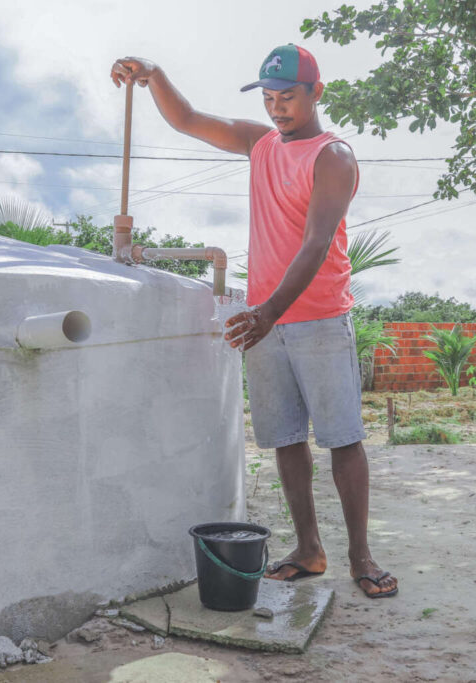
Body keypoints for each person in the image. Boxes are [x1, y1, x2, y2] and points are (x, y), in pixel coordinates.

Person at [109, 45, 398, 599]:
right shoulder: (259, 143)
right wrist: (153, 74)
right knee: (286, 440)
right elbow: (189, 119)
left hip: (317, 318)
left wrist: (267, 312)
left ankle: (361, 557)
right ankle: (309, 549)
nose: (277, 108)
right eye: (268, 98)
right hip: (265, 320)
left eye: (287, 96)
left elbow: (316, 244)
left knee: (342, 440)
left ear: (317, 92)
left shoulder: (333, 156)